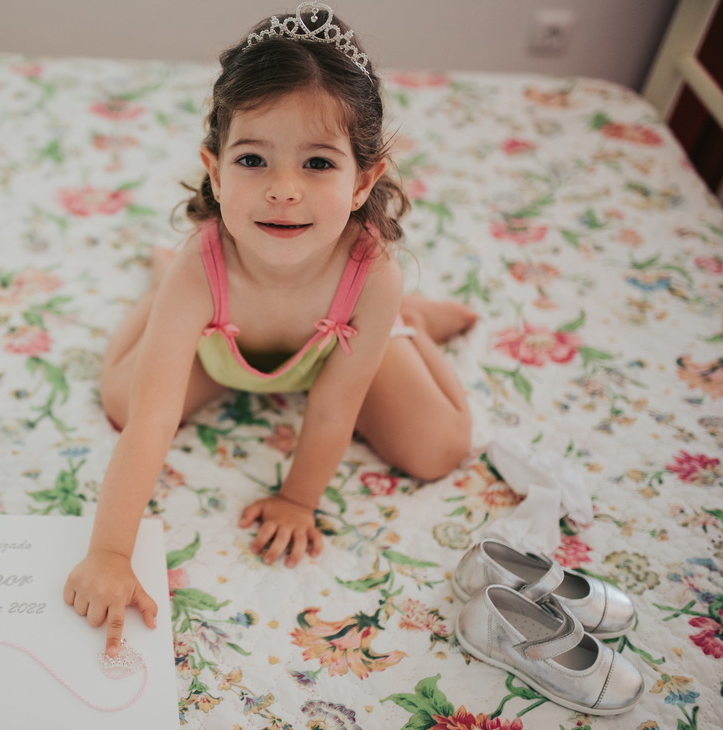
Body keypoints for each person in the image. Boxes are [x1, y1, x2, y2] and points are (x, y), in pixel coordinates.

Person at [63, 3, 476, 656]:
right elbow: (151, 421)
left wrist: (297, 499)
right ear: (216, 171)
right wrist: (111, 552)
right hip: (222, 343)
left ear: (364, 180)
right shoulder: (203, 268)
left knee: (440, 449)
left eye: (318, 164)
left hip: (335, 345)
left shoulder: (372, 274)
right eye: (253, 159)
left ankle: (412, 322)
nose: (284, 189)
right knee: (124, 400)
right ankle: (158, 288)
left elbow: (334, 406)